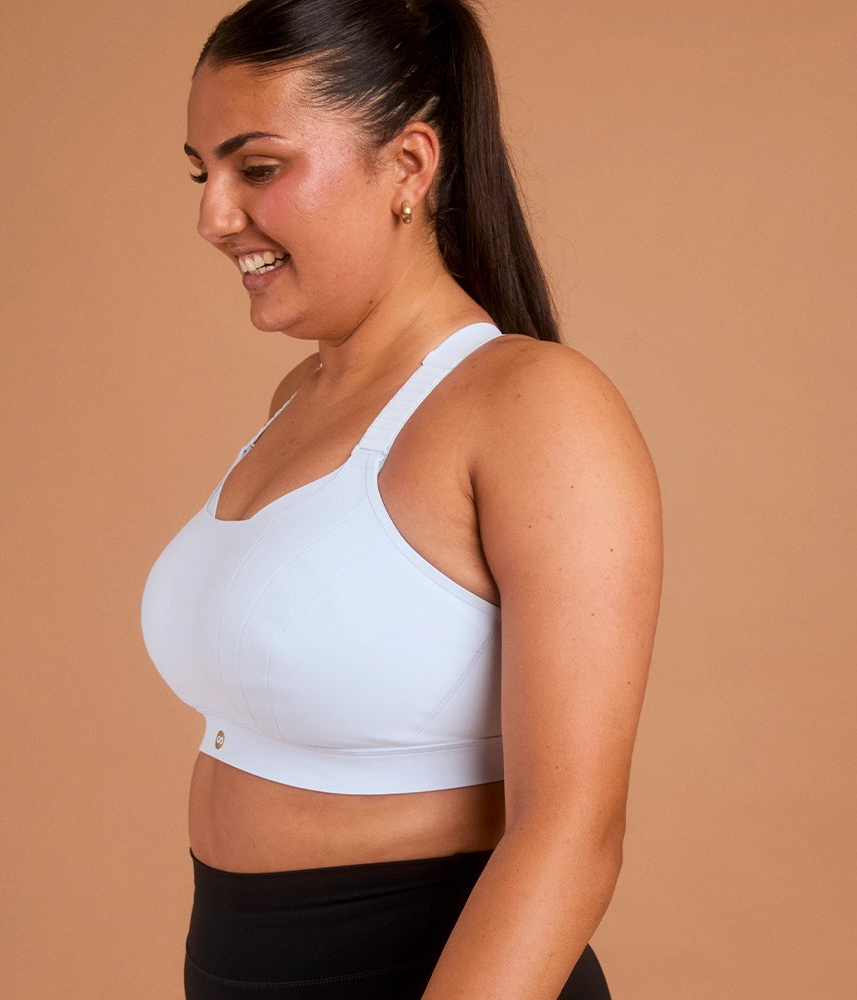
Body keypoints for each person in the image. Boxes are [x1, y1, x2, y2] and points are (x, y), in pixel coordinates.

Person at [141, 0, 663, 997]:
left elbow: (571, 830)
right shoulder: (300, 399)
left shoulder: (534, 406)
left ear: (410, 166)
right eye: (202, 173)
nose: (214, 217)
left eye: (256, 168)